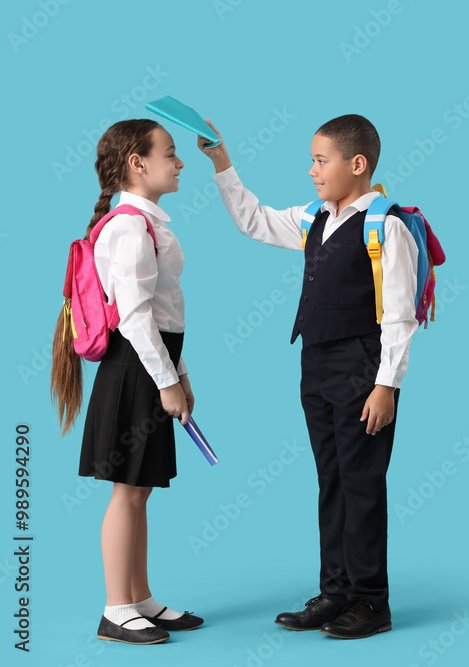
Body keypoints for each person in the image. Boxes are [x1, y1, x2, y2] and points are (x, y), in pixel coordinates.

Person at [197, 114, 418, 639]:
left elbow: (401, 315)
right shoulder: (314, 216)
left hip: (364, 366)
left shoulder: (385, 225)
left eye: (322, 161)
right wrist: (221, 162)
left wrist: (387, 384)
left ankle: (371, 601)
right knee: (331, 480)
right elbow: (254, 220)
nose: (313, 171)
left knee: (362, 482)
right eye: (313, 161)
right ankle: (337, 590)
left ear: (357, 164)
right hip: (315, 363)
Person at [51, 119, 204, 645]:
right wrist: (166, 381)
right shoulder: (128, 227)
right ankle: (116, 609)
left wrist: (179, 376)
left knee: (139, 491)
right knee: (126, 493)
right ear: (138, 163)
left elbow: (163, 315)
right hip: (134, 370)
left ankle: (140, 599)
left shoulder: (144, 221)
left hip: (152, 366)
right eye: (170, 152)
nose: (180, 162)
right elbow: (136, 317)